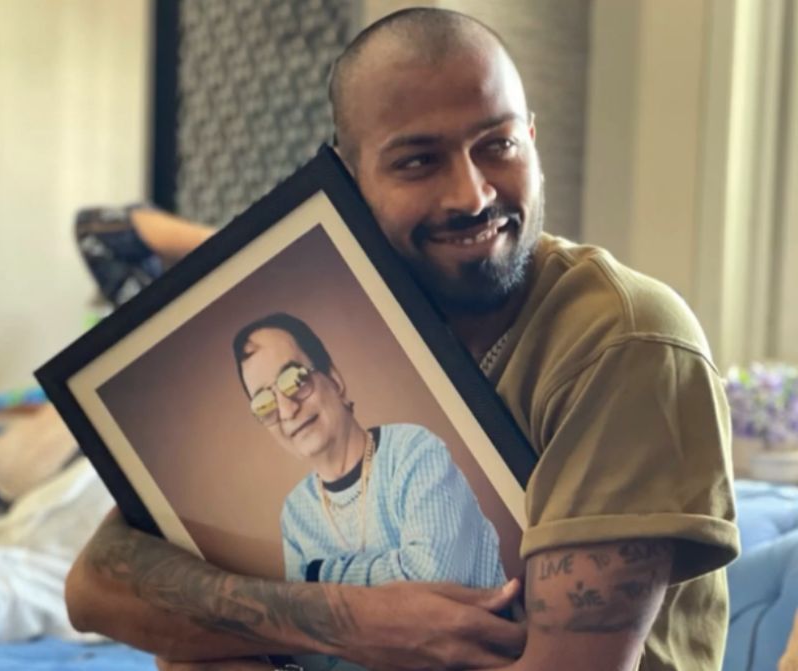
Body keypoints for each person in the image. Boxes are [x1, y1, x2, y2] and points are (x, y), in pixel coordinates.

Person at [65, 8, 740, 671]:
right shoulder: (351, 323)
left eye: (497, 145)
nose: (471, 195)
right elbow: (95, 587)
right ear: (349, 180)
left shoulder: (626, 340)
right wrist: (358, 620)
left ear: (532, 139)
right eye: (418, 161)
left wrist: (291, 611)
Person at [231, 312, 506, 589]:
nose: (287, 410)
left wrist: (319, 574)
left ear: (334, 379)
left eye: (295, 379)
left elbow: (437, 581)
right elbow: (315, 624)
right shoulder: (295, 513)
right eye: (264, 403)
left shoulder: (413, 451)